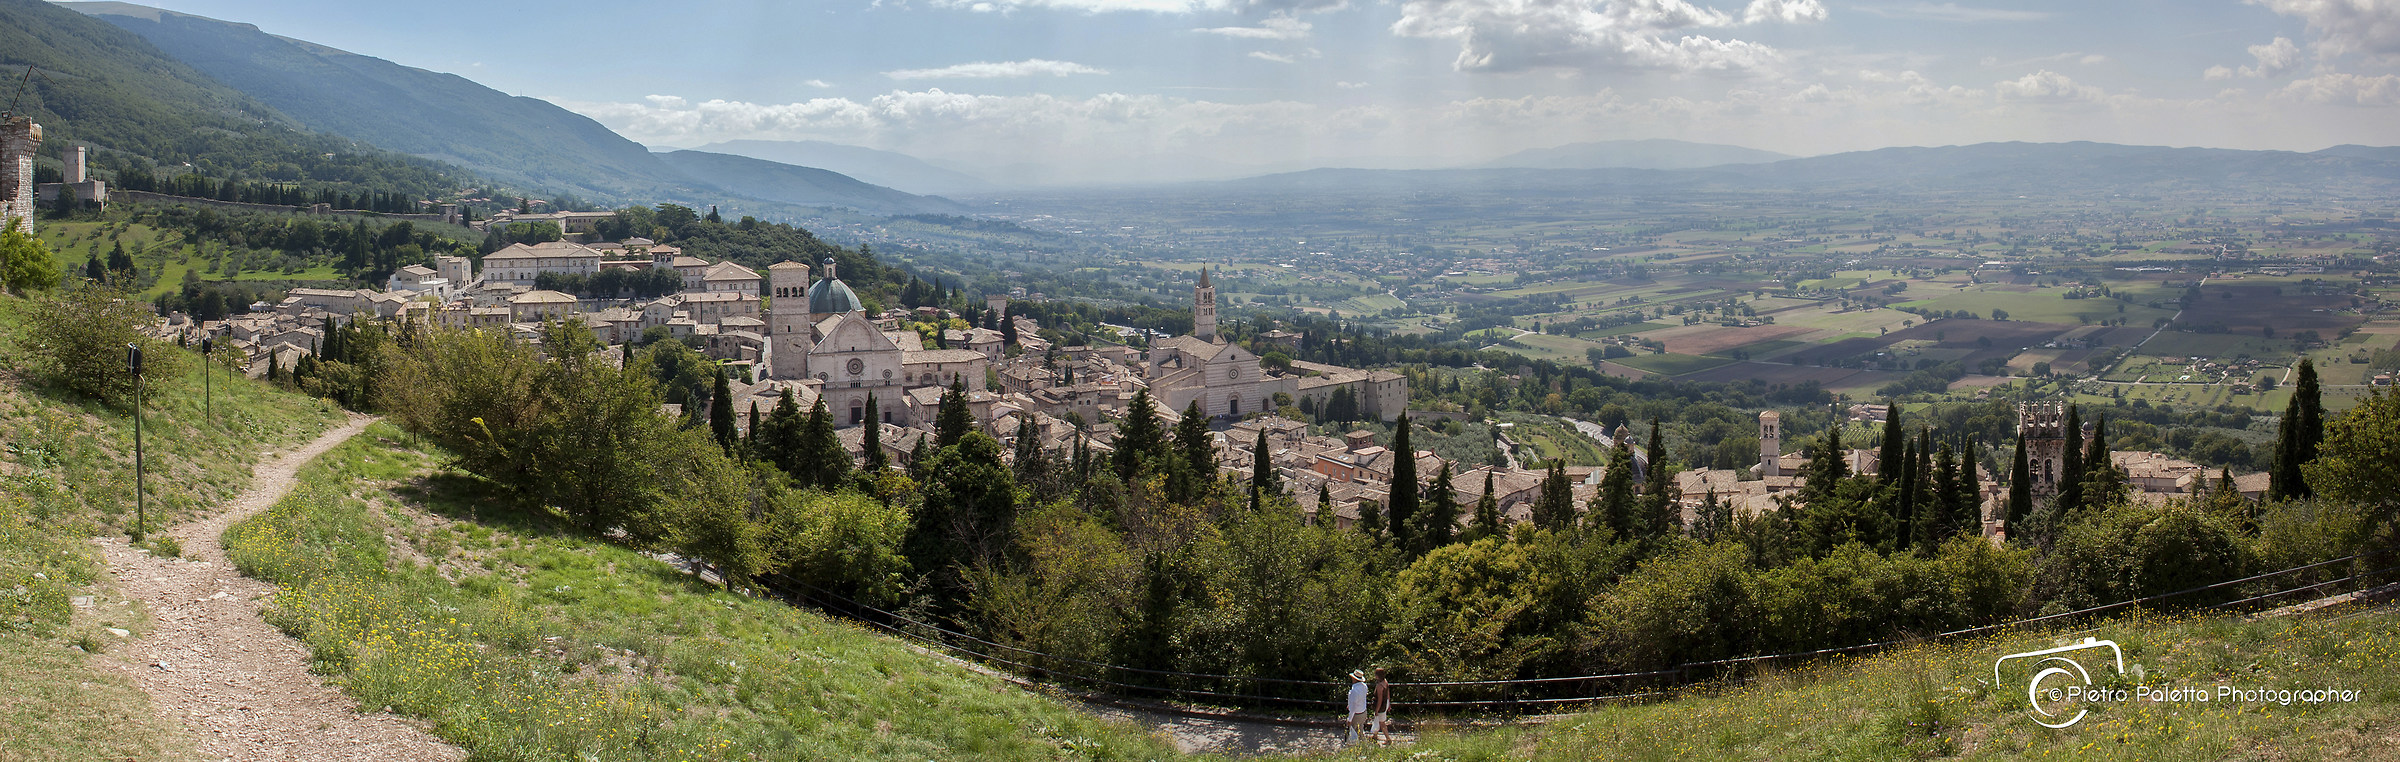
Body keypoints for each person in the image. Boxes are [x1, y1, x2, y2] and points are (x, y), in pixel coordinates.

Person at [1345, 669, 1370, 744]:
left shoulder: (1354, 691)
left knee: (1352, 732)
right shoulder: (1364, 686)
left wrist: (1349, 719)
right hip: (1363, 711)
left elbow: (1353, 707)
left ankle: (1352, 746)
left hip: (1356, 714)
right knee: (1360, 729)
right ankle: (1364, 744)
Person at [1370, 666, 1393, 743]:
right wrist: (1389, 703)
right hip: (1385, 703)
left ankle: (1388, 738)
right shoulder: (1385, 682)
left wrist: (1376, 710)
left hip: (1381, 705)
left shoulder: (1379, 686)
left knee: (1382, 723)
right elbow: (1388, 694)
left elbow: (1379, 699)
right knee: (1378, 720)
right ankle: (1375, 736)